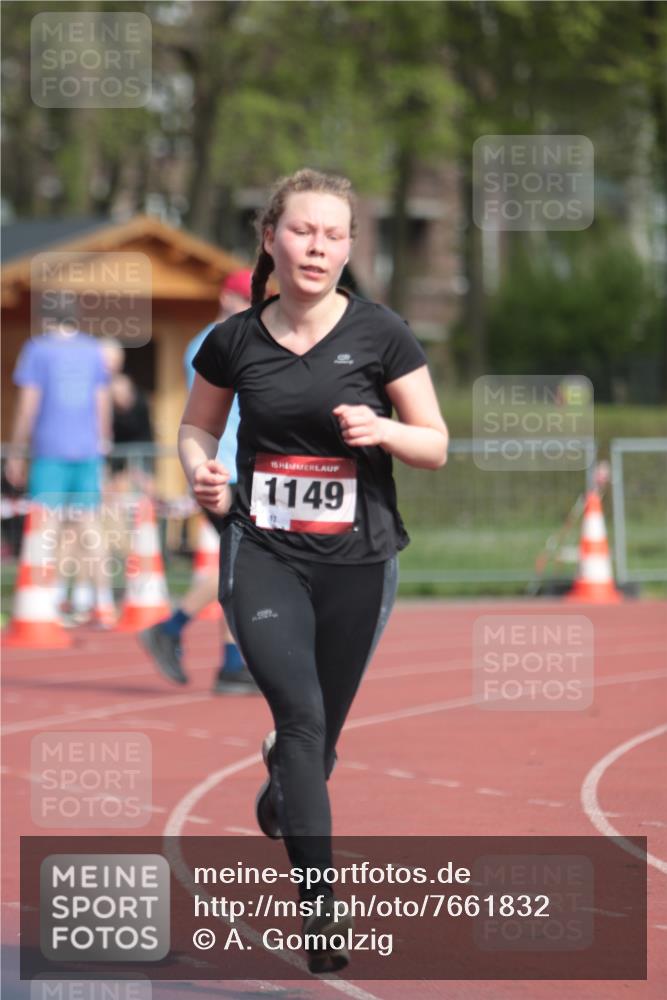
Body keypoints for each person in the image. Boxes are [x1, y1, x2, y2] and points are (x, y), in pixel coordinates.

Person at [178, 169, 448, 973]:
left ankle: (284, 789)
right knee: (298, 719)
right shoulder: (234, 341)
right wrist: (202, 472)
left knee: (316, 741)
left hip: (359, 563)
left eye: (333, 234)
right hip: (262, 551)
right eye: (302, 231)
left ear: (349, 247)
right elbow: (195, 427)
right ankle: (321, 913)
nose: (317, 246)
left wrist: (384, 430)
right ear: (271, 238)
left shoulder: (382, 334)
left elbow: (434, 443)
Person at [139, 270, 258, 694]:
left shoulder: (232, 337)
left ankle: (229, 664)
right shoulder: (216, 342)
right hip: (223, 472)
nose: (250, 306)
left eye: (255, 299)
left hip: (234, 469)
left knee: (239, 565)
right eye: (244, 299)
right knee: (242, 565)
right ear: (226, 297)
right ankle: (171, 627)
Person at [5, 304, 113, 625]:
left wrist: (15, 450)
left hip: (50, 448)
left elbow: (28, 405)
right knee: (89, 527)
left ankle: (46, 602)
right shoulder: (93, 349)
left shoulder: (37, 348)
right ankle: (103, 603)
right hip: (87, 449)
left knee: (46, 526)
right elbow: (101, 401)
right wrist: (102, 442)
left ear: (46, 319)